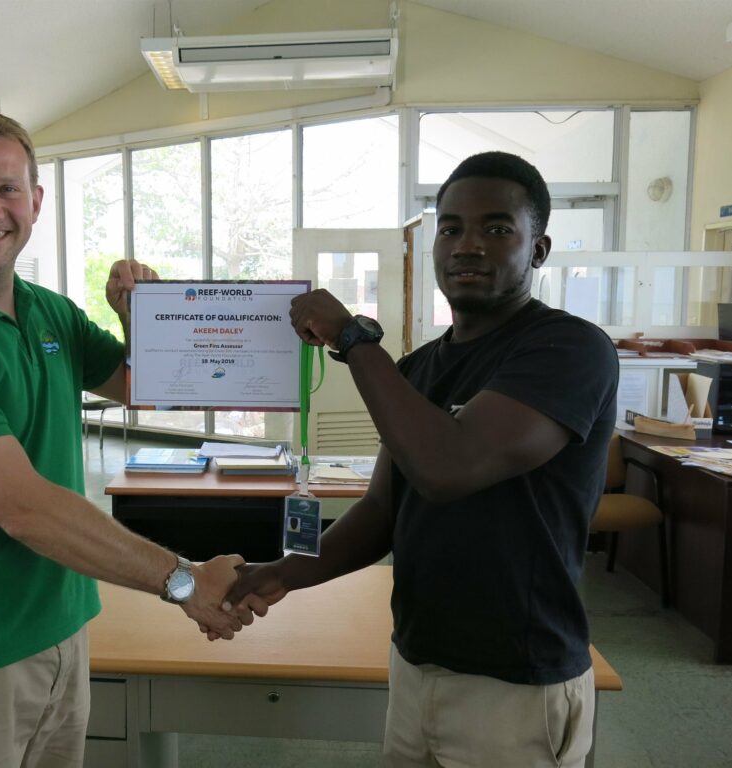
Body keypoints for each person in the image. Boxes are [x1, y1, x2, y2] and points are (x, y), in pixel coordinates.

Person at [0, 109, 256, 768]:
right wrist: (184, 582)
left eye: (8, 188)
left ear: (35, 202)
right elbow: (24, 508)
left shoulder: (46, 310)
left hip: (61, 624)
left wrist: (143, 316)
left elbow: (146, 385)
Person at [226, 151, 619, 767]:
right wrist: (283, 572)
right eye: (451, 227)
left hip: (516, 680)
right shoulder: (418, 368)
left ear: (538, 250)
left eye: (496, 229)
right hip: (416, 659)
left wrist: (351, 338)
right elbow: (383, 510)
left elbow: (448, 468)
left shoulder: (568, 349)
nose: (468, 245)